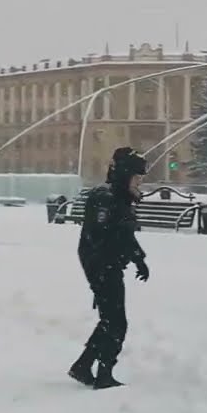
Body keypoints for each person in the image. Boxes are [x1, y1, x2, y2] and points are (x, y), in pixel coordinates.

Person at [68, 146, 150, 390]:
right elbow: (105, 235)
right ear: (125, 176)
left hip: (107, 264)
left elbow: (124, 235)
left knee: (109, 319)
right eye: (136, 178)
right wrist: (122, 257)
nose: (139, 184)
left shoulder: (118, 197)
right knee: (116, 322)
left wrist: (138, 258)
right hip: (101, 264)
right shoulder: (105, 198)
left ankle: (83, 366)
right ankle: (104, 374)